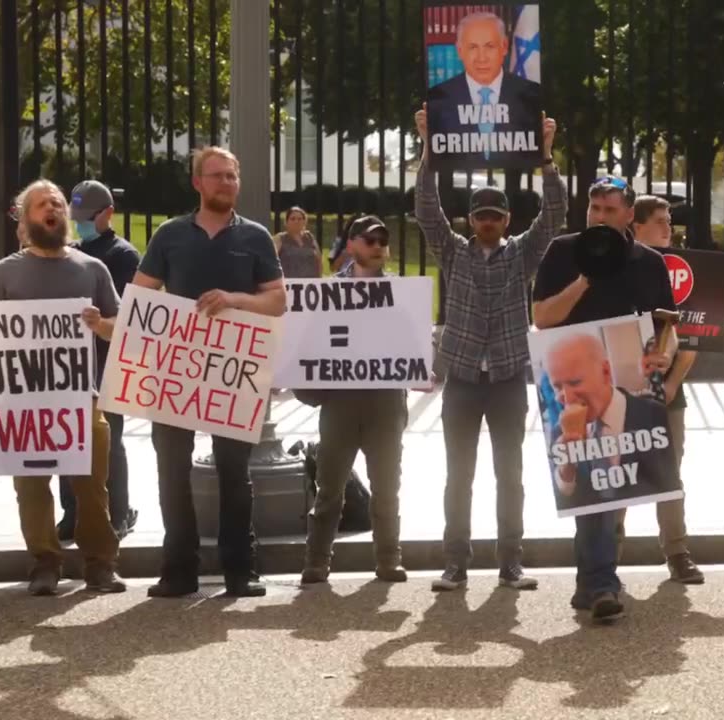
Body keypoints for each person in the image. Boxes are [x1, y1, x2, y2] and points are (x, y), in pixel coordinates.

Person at [414, 106, 563, 592]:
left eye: (495, 216)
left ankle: (510, 564)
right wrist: (428, 150)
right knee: (458, 477)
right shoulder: (452, 250)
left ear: (507, 219)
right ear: (470, 219)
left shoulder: (521, 253)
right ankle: (455, 564)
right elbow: (425, 211)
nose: (487, 223)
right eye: (480, 216)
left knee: (510, 476)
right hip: (460, 378)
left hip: (504, 379)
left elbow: (555, 216)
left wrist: (545, 158)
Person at [133, 147, 286, 598]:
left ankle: (241, 570)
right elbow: (141, 299)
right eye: (217, 176)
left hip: (233, 373)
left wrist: (235, 299)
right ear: (197, 183)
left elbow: (277, 301)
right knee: (171, 471)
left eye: (232, 176)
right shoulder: (169, 235)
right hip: (176, 372)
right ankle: (179, 570)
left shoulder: (256, 237)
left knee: (235, 472)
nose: (226, 183)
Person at [0, 179, 127, 596]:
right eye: (42, 204)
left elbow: (119, 330)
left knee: (92, 485)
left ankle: (101, 563)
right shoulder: (5, 273)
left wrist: (100, 324)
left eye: (57, 202)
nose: (52, 208)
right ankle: (45, 562)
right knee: (30, 485)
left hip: (82, 398)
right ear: (26, 218)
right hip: (21, 403)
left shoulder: (93, 269)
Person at [532, 175, 676, 622]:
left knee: (610, 495)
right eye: (595, 209)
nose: (600, 216)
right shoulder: (562, 252)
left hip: (628, 388)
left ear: (629, 214)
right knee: (596, 491)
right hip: (572, 392)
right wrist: (583, 281)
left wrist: (663, 358)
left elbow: (666, 327)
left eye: (610, 210)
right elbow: (541, 318)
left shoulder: (648, 262)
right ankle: (601, 583)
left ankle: (590, 583)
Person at [301, 216, 415, 585]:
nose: (378, 246)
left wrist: (420, 369)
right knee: (330, 487)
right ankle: (317, 562)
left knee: (388, 487)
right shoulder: (328, 293)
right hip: (341, 404)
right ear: (351, 245)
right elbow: (309, 345)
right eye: (370, 240)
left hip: (385, 405)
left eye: (383, 240)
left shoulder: (401, 294)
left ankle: (388, 559)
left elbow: (413, 346)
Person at [620, 194, 703, 583]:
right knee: (616, 470)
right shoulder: (616, 268)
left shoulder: (684, 269)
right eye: (660, 221)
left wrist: (670, 385)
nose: (669, 227)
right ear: (636, 226)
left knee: (669, 473)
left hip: (668, 393)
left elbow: (696, 338)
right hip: (620, 389)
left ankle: (677, 551)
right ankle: (607, 553)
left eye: (670, 220)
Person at [53, 180, 140, 542]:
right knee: (66, 436)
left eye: (87, 218)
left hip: (107, 361)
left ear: (108, 214)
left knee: (109, 440)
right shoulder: (67, 252)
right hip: (70, 362)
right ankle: (72, 512)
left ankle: (117, 513)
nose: (80, 224)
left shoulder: (123, 255)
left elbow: (129, 315)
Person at [546, 332, 672, 503]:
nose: (567, 399)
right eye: (557, 387)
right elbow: (563, 496)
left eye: (575, 382)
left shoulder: (655, 416)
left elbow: (667, 485)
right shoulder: (559, 434)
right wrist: (567, 466)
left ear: (605, 372)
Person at [425, 11, 541, 163]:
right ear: (459, 51)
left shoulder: (531, 94)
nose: (482, 57)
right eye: (473, 47)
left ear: (504, 47)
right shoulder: (438, 97)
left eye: (489, 46)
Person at [273, 206, 323, 279]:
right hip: (289, 284)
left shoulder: (310, 238)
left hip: (310, 284)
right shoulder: (280, 238)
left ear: (304, 221)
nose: (296, 221)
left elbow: (319, 261)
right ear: (286, 222)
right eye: (292, 219)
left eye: (300, 219)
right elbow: (272, 260)